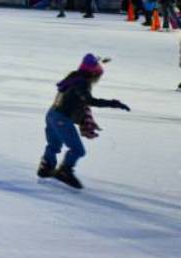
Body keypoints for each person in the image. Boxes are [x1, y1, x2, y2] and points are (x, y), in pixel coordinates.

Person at [38, 54, 130, 189]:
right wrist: (113, 103)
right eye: (98, 74)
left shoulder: (74, 77)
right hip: (61, 119)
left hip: (52, 114)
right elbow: (88, 101)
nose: (98, 78)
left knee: (54, 145)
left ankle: (45, 167)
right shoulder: (81, 82)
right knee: (78, 150)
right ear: (93, 73)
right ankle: (65, 171)